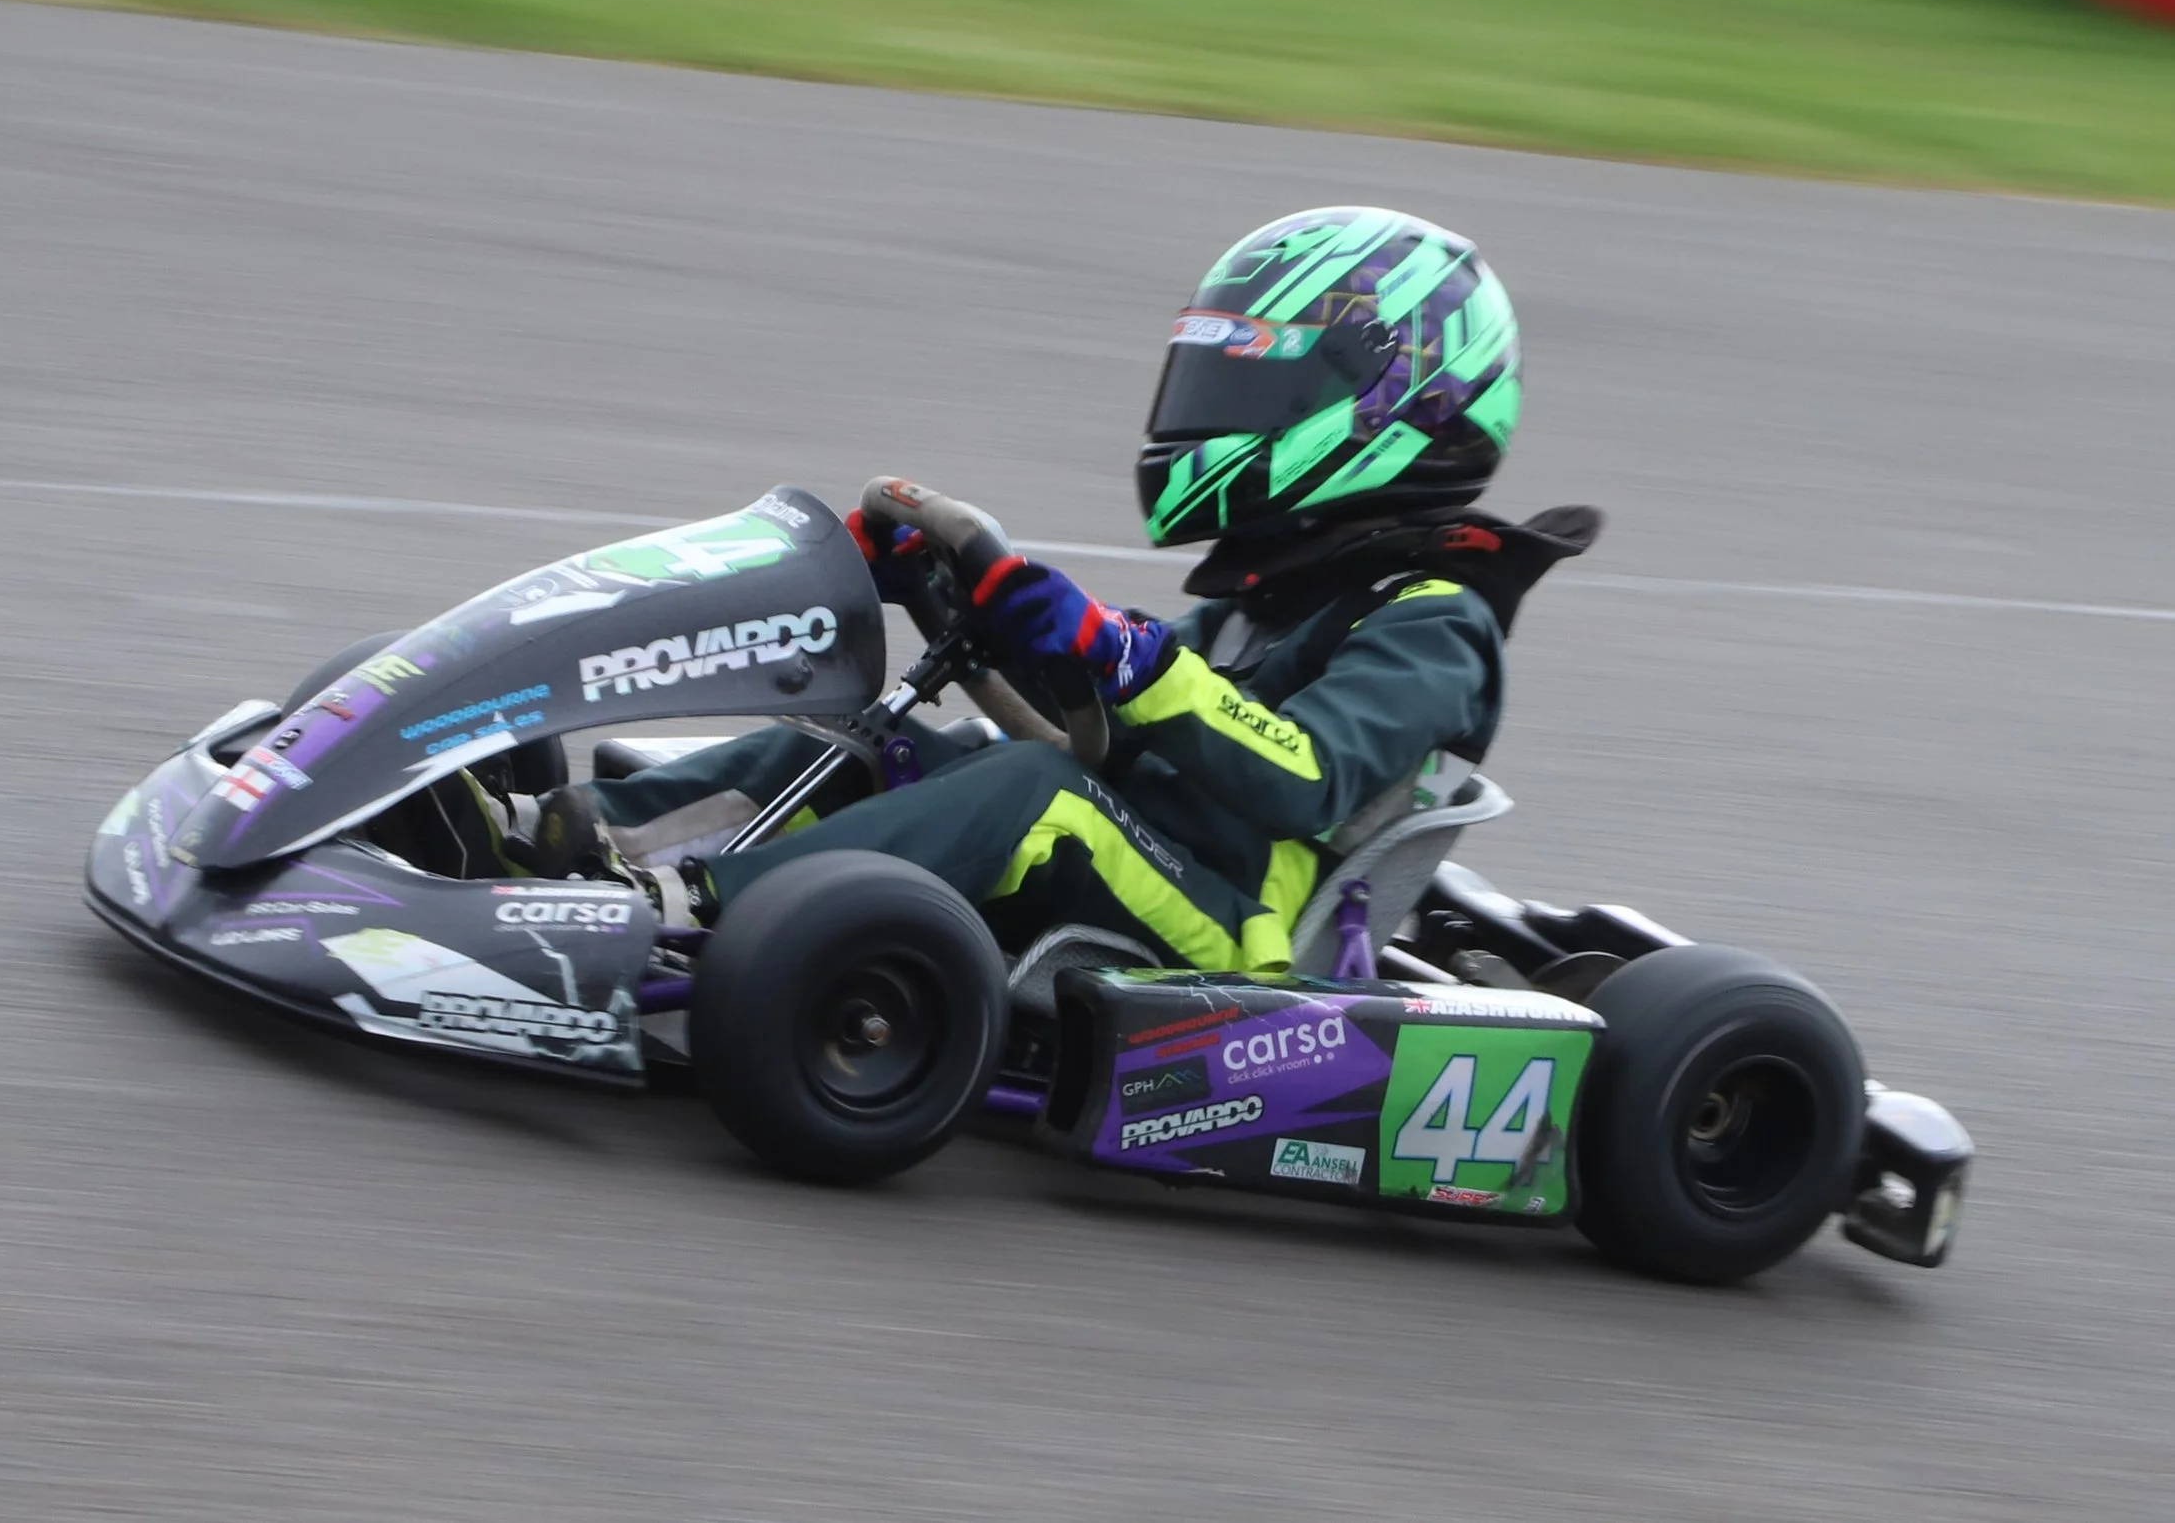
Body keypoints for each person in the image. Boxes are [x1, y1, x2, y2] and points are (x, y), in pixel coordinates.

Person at [522, 207, 1597, 978]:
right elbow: (1112, 721)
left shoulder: (1432, 622)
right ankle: (563, 835)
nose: (1218, 409)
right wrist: (982, 611)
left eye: (1259, 385)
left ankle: (697, 913)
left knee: (1031, 794)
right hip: (1154, 841)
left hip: (1241, 926)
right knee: (874, 737)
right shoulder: (1276, 591)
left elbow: (1305, 775)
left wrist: (1127, 659)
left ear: (1390, 409)